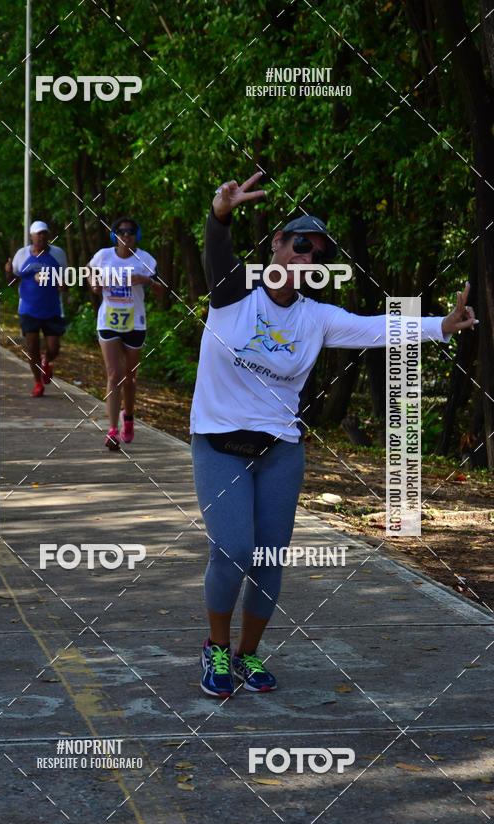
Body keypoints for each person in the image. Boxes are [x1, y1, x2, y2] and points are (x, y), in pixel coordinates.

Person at [191, 172, 478, 697]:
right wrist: (220, 213)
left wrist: (440, 325)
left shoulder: (317, 318)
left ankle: (247, 655)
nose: (307, 259)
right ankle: (214, 648)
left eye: (318, 256)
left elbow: (378, 329)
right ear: (277, 244)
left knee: (269, 561)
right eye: (301, 245)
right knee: (232, 550)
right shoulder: (233, 295)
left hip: (279, 449)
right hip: (219, 443)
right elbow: (216, 251)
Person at [89, 216, 162, 450]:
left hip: (135, 324)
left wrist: (146, 280)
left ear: (136, 235)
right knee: (114, 374)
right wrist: (94, 284)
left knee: (129, 377)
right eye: (121, 231)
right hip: (108, 321)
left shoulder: (146, 260)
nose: (126, 235)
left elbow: (163, 291)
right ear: (115, 235)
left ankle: (128, 417)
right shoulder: (103, 256)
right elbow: (90, 271)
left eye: (131, 231)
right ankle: (112, 430)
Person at [7, 220, 68, 398]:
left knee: (54, 347)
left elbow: (65, 280)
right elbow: (12, 282)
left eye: (44, 233)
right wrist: (9, 271)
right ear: (31, 236)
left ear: (48, 235)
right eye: (38, 233)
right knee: (32, 346)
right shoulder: (21, 254)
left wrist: (63, 285)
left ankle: (47, 360)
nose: (41, 236)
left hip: (53, 309)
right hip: (28, 308)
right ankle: (37, 382)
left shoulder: (58, 254)